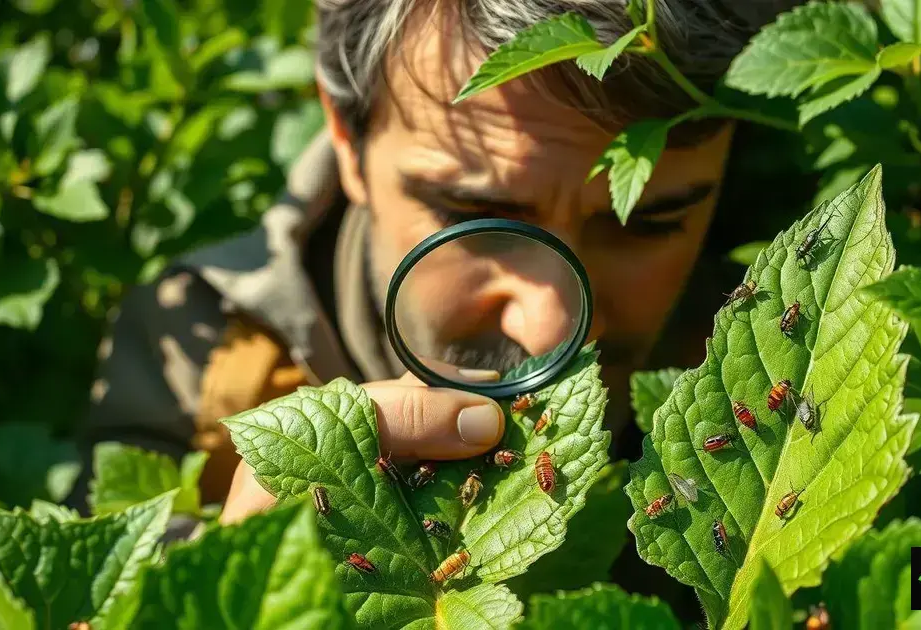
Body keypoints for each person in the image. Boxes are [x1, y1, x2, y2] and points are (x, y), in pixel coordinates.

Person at [70, 0, 799, 528]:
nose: (551, 330)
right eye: (475, 220)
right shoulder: (198, 365)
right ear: (346, 137)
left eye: (649, 223)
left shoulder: (794, 347)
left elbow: (900, 574)